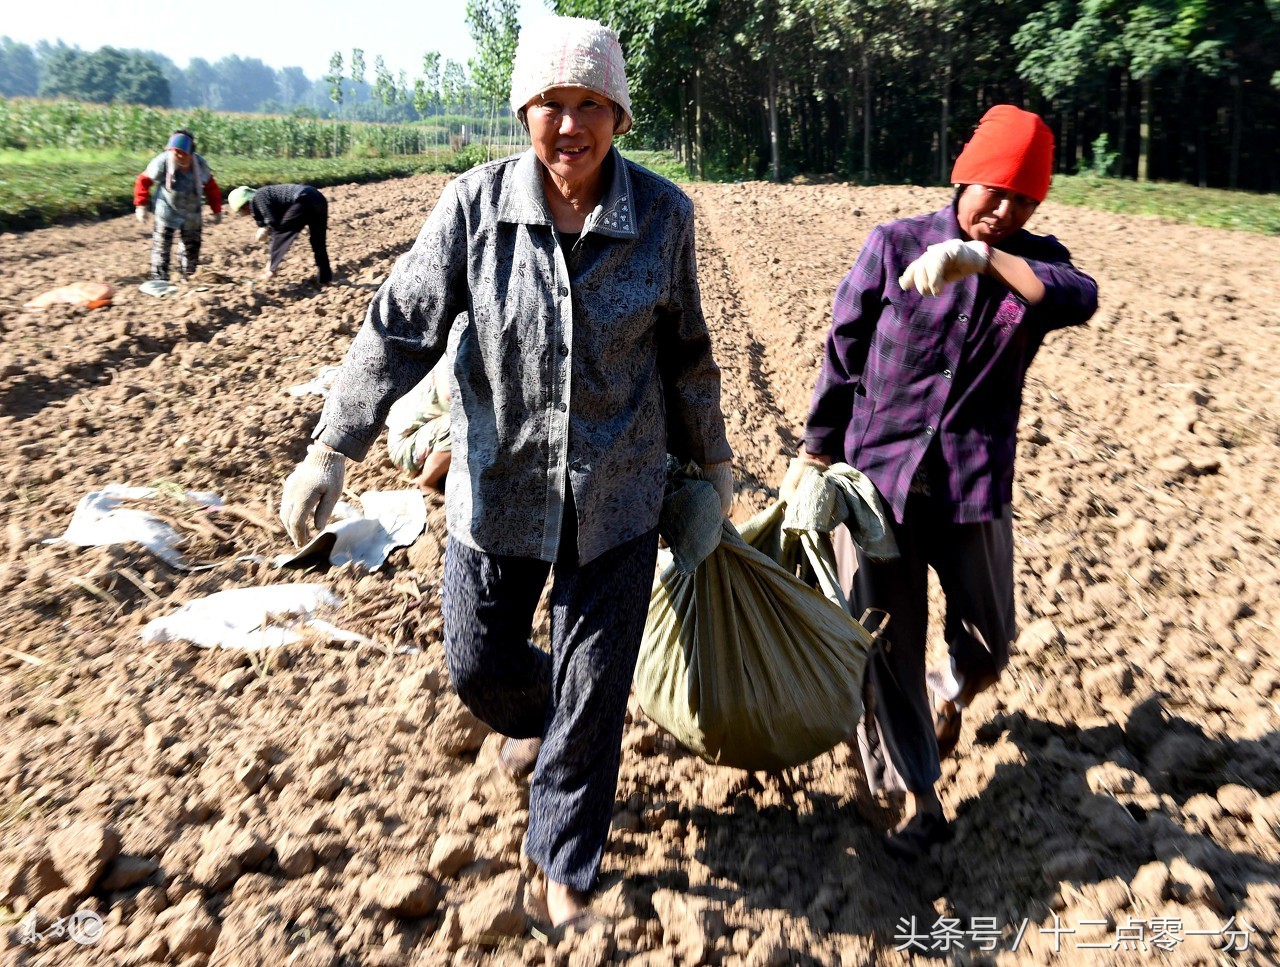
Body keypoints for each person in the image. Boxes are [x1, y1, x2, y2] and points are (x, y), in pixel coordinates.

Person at [278, 15, 733, 931]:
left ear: (620, 116)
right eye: (553, 105)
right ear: (525, 110)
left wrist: (712, 470)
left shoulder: (663, 217)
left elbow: (686, 354)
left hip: (618, 493)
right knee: (478, 664)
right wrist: (334, 444)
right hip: (499, 491)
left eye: (591, 106)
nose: (572, 126)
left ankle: (561, 857)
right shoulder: (473, 210)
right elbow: (400, 324)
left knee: (596, 682)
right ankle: (560, 728)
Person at [800, 105, 1098, 859]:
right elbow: (845, 349)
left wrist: (981, 260)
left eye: (1023, 201)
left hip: (970, 487)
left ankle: (949, 691)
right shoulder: (894, 244)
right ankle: (914, 797)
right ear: (964, 173)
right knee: (886, 644)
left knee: (991, 640)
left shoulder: (1033, 265)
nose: (1003, 211)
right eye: (992, 191)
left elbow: (1078, 295)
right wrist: (814, 454)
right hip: (879, 485)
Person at [133, 129, 222, 281]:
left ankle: (188, 276)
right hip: (166, 211)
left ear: (191, 152)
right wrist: (140, 205)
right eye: (176, 152)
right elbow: (143, 180)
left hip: (191, 213)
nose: (179, 156)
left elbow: (211, 187)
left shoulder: (200, 164)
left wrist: (216, 210)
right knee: (161, 246)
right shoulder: (162, 162)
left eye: (183, 153)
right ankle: (160, 278)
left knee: (191, 247)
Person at [227, 184, 333, 285]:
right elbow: (273, 218)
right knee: (318, 242)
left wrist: (270, 262)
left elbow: (274, 224)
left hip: (303, 200)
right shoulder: (263, 197)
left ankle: (271, 271)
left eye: (241, 211)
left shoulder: (259, 198)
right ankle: (326, 279)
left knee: (279, 232)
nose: (244, 214)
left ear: (244, 206)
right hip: (318, 198)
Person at [386, 358, 453, 493]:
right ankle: (427, 482)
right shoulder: (449, 357)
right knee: (461, 426)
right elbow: (450, 394)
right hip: (408, 448)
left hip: (428, 436)